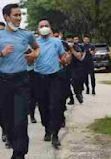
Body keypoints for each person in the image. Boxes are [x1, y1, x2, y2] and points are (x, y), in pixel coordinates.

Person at [0, 3, 40, 159]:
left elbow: (37, 48)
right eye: (15, 15)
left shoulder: (27, 34)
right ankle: (14, 144)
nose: (19, 18)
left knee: (21, 120)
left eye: (20, 15)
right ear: (6, 17)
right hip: (4, 82)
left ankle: (19, 153)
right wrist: (1, 54)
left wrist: (34, 55)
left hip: (22, 81)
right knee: (8, 120)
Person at [34, 19, 67, 148]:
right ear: (38, 29)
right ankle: (47, 128)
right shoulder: (35, 43)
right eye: (41, 26)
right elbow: (30, 58)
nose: (44, 28)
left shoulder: (56, 42)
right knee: (43, 106)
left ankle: (55, 134)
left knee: (55, 106)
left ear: (50, 28)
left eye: (46, 26)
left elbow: (63, 56)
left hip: (55, 77)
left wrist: (65, 59)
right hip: (39, 78)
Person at [69, 35, 86, 104]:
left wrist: (71, 49)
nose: (69, 43)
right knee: (66, 85)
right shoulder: (63, 47)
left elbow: (79, 56)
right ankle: (71, 98)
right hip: (66, 67)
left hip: (76, 68)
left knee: (75, 83)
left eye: (71, 41)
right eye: (68, 41)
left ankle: (77, 94)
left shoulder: (76, 47)